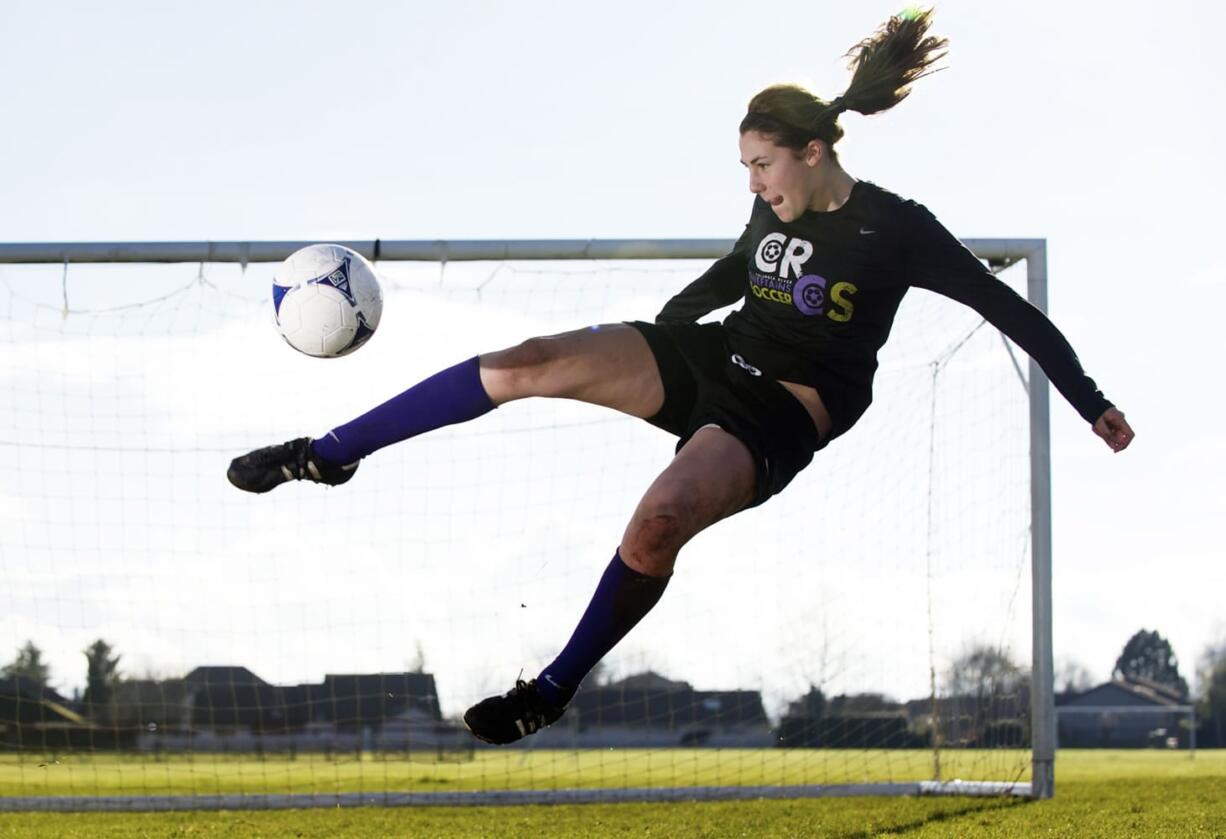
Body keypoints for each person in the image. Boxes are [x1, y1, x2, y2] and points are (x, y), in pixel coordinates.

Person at [227, 9, 1134, 745]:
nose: (753, 184)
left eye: (763, 165)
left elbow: (1006, 310)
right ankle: (326, 453)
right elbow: (736, 275)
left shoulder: (895, 228)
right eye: (744, 167)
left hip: (780, 413)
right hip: (715, 358)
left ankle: (550, 689)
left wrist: (1090, 400)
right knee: (526, 362)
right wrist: (659, 331)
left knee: (657, 524)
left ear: (813, 154)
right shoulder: (772, 205)